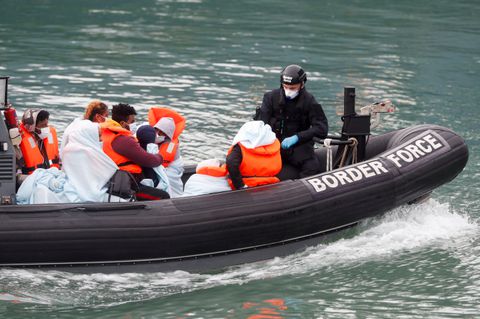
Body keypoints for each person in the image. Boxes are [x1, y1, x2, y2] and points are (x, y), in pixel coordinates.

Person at [17, 120, 118, 204]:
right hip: (81, 191)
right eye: (98, 136)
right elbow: (87, 188)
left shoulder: (79, 149)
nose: (101, 139)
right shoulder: (79, 152)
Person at [256, 64, 328, 178]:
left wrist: (297, 137)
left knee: (312, 166)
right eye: (285, 87)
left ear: (302, 84)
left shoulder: (310, 101)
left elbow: (322, 128)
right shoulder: (270, 98)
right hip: (274, 145)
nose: (288, 91)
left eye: (293, 88)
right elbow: (260, 125)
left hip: (298, 146)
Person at [183, 121, 281, 196]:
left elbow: (231, 163)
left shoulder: (241, 148)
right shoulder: (273, 146)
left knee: (196, 181)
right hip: (270, 181)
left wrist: (240, 186)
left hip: (247, 183)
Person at [102, 103, 169, 200]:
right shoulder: (123, 140)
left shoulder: (105, 132)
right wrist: (160, 157)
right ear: (122, 124)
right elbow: (149, 160)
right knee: (163, 196)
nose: (134, 124)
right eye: (132, 121)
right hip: (127, 185)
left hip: (110, 179)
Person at [148, 107, 186, 197]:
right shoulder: (153, 137)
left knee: (170, 181)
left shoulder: (171, 146)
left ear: (168, 134)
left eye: (162, 132)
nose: (159, 133)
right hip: (164, 166)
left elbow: (163, 160)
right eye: (157, 130)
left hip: (171, 168)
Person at [18, 109, 60, 175]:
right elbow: (18, 171)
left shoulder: (43, 137)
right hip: (32, 178)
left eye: (47, 124)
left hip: (51, 174)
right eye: (43, 125)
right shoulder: (19, 142)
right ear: (32, 127)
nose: (46, 128)